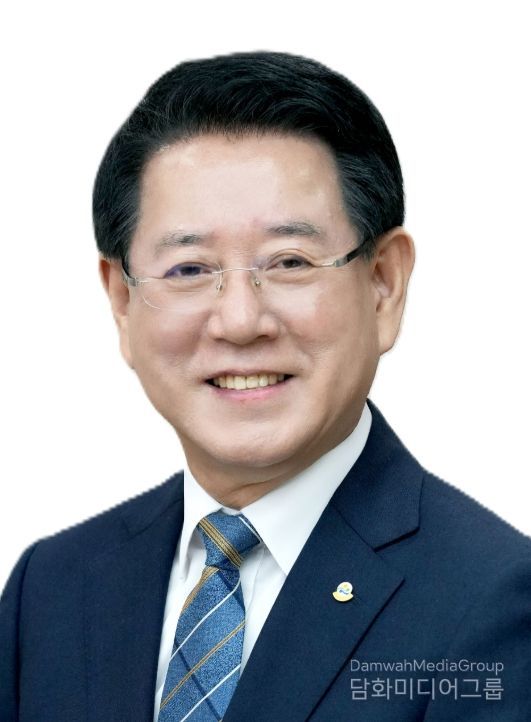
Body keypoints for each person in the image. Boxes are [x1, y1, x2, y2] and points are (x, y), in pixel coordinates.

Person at [0, 51, 529, 722]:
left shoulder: (494, 601)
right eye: (189, 269)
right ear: (123, 304)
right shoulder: (51, 588)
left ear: (383, 285)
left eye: (289, 262)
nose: (240, 321)